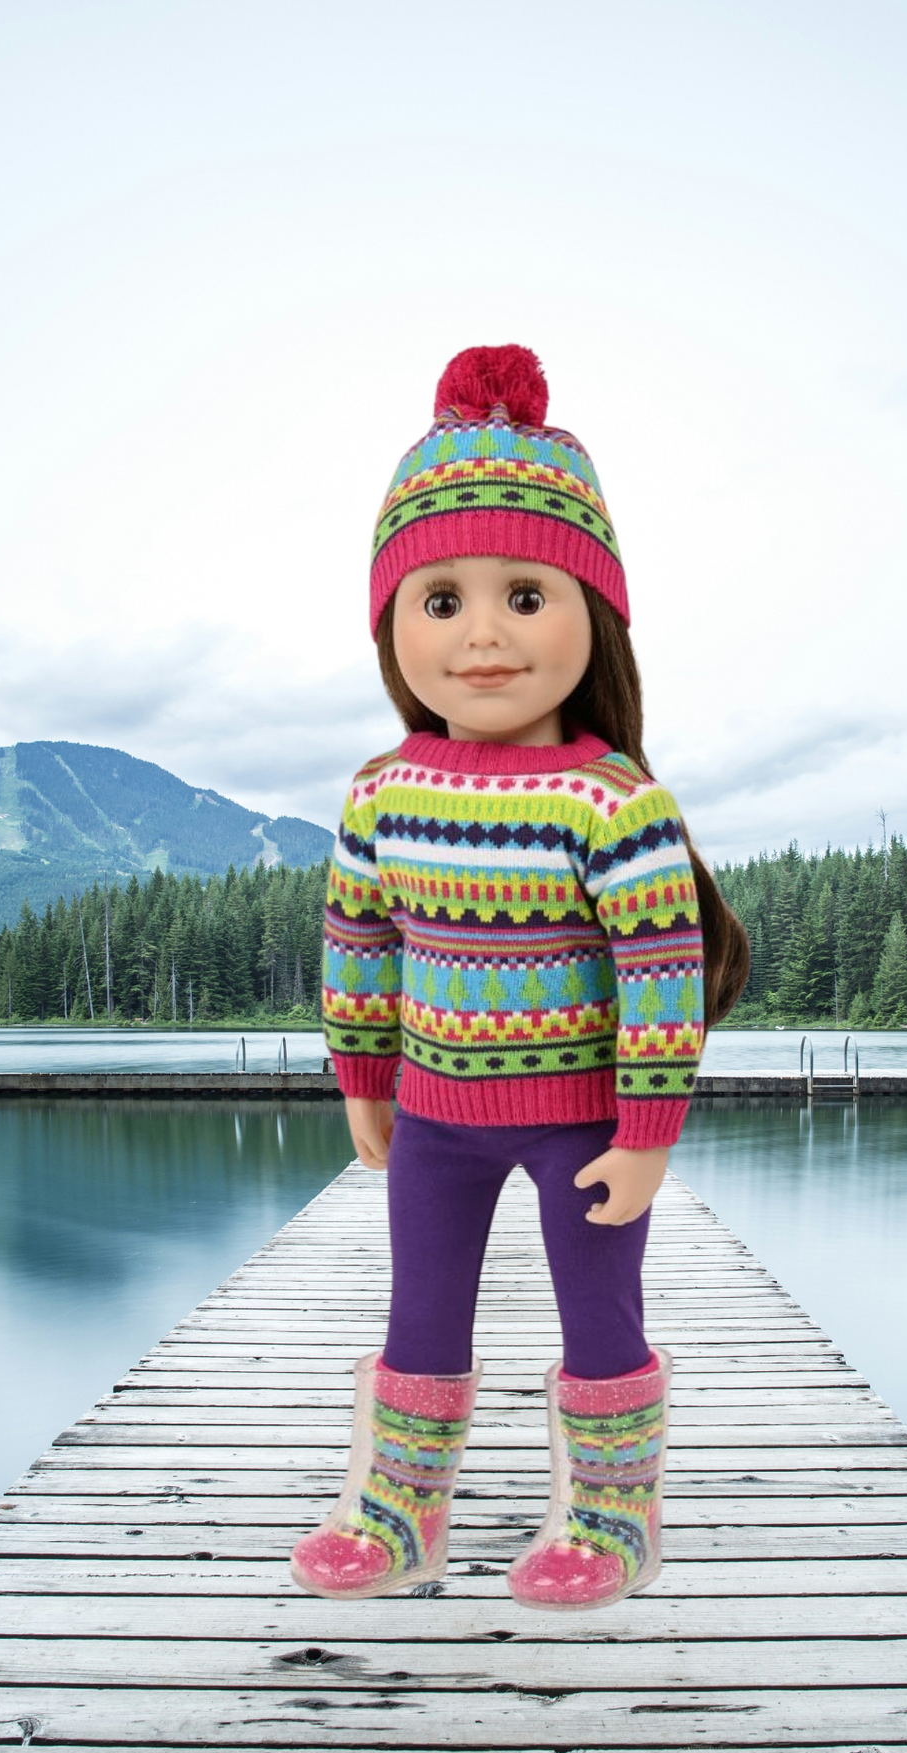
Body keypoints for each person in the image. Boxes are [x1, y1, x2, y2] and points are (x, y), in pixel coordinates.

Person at [289, 345, 749, 1610]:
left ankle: (612, 1516)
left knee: (598, 1316)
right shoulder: (380, 791)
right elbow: (359, 942)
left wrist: (648, 1131)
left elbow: (659, 974)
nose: (481, 631)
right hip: (433, 1117)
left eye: (523, 594)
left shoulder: (612, 799)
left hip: (582, 1126)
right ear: (392, 624)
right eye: (439, 599)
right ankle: (396, 1511)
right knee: (418, 1312)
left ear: (592, 615)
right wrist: (360, 1077)